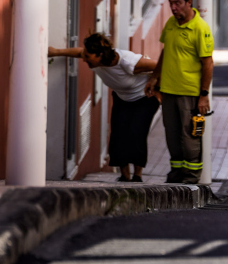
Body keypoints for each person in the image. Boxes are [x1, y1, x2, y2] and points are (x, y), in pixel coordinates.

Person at [49, 33, 158, 182]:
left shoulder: (127, 62)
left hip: (144, 98)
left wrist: (153, 81)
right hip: (122, 98)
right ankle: (125, 177)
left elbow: (158, 65)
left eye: (87, 56)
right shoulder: (96, 60)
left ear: (100, 54)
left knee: (136, 134)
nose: (84, 59)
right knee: (118, 136)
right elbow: (78, 51)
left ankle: (137, 176)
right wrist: (55, 52)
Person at [145, 0, 214, 184]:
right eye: (170, 3)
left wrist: (203, 94)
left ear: (188, 2)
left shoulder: (200, 29)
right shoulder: (171, 24)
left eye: (177, 3)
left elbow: (208, 63)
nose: (173, 8)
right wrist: (154, 77)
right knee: (172, 137)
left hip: (190, 93)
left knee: (189, 138)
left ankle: (191, 179)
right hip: (168, 90)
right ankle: (175, 176)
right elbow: (166, 52)